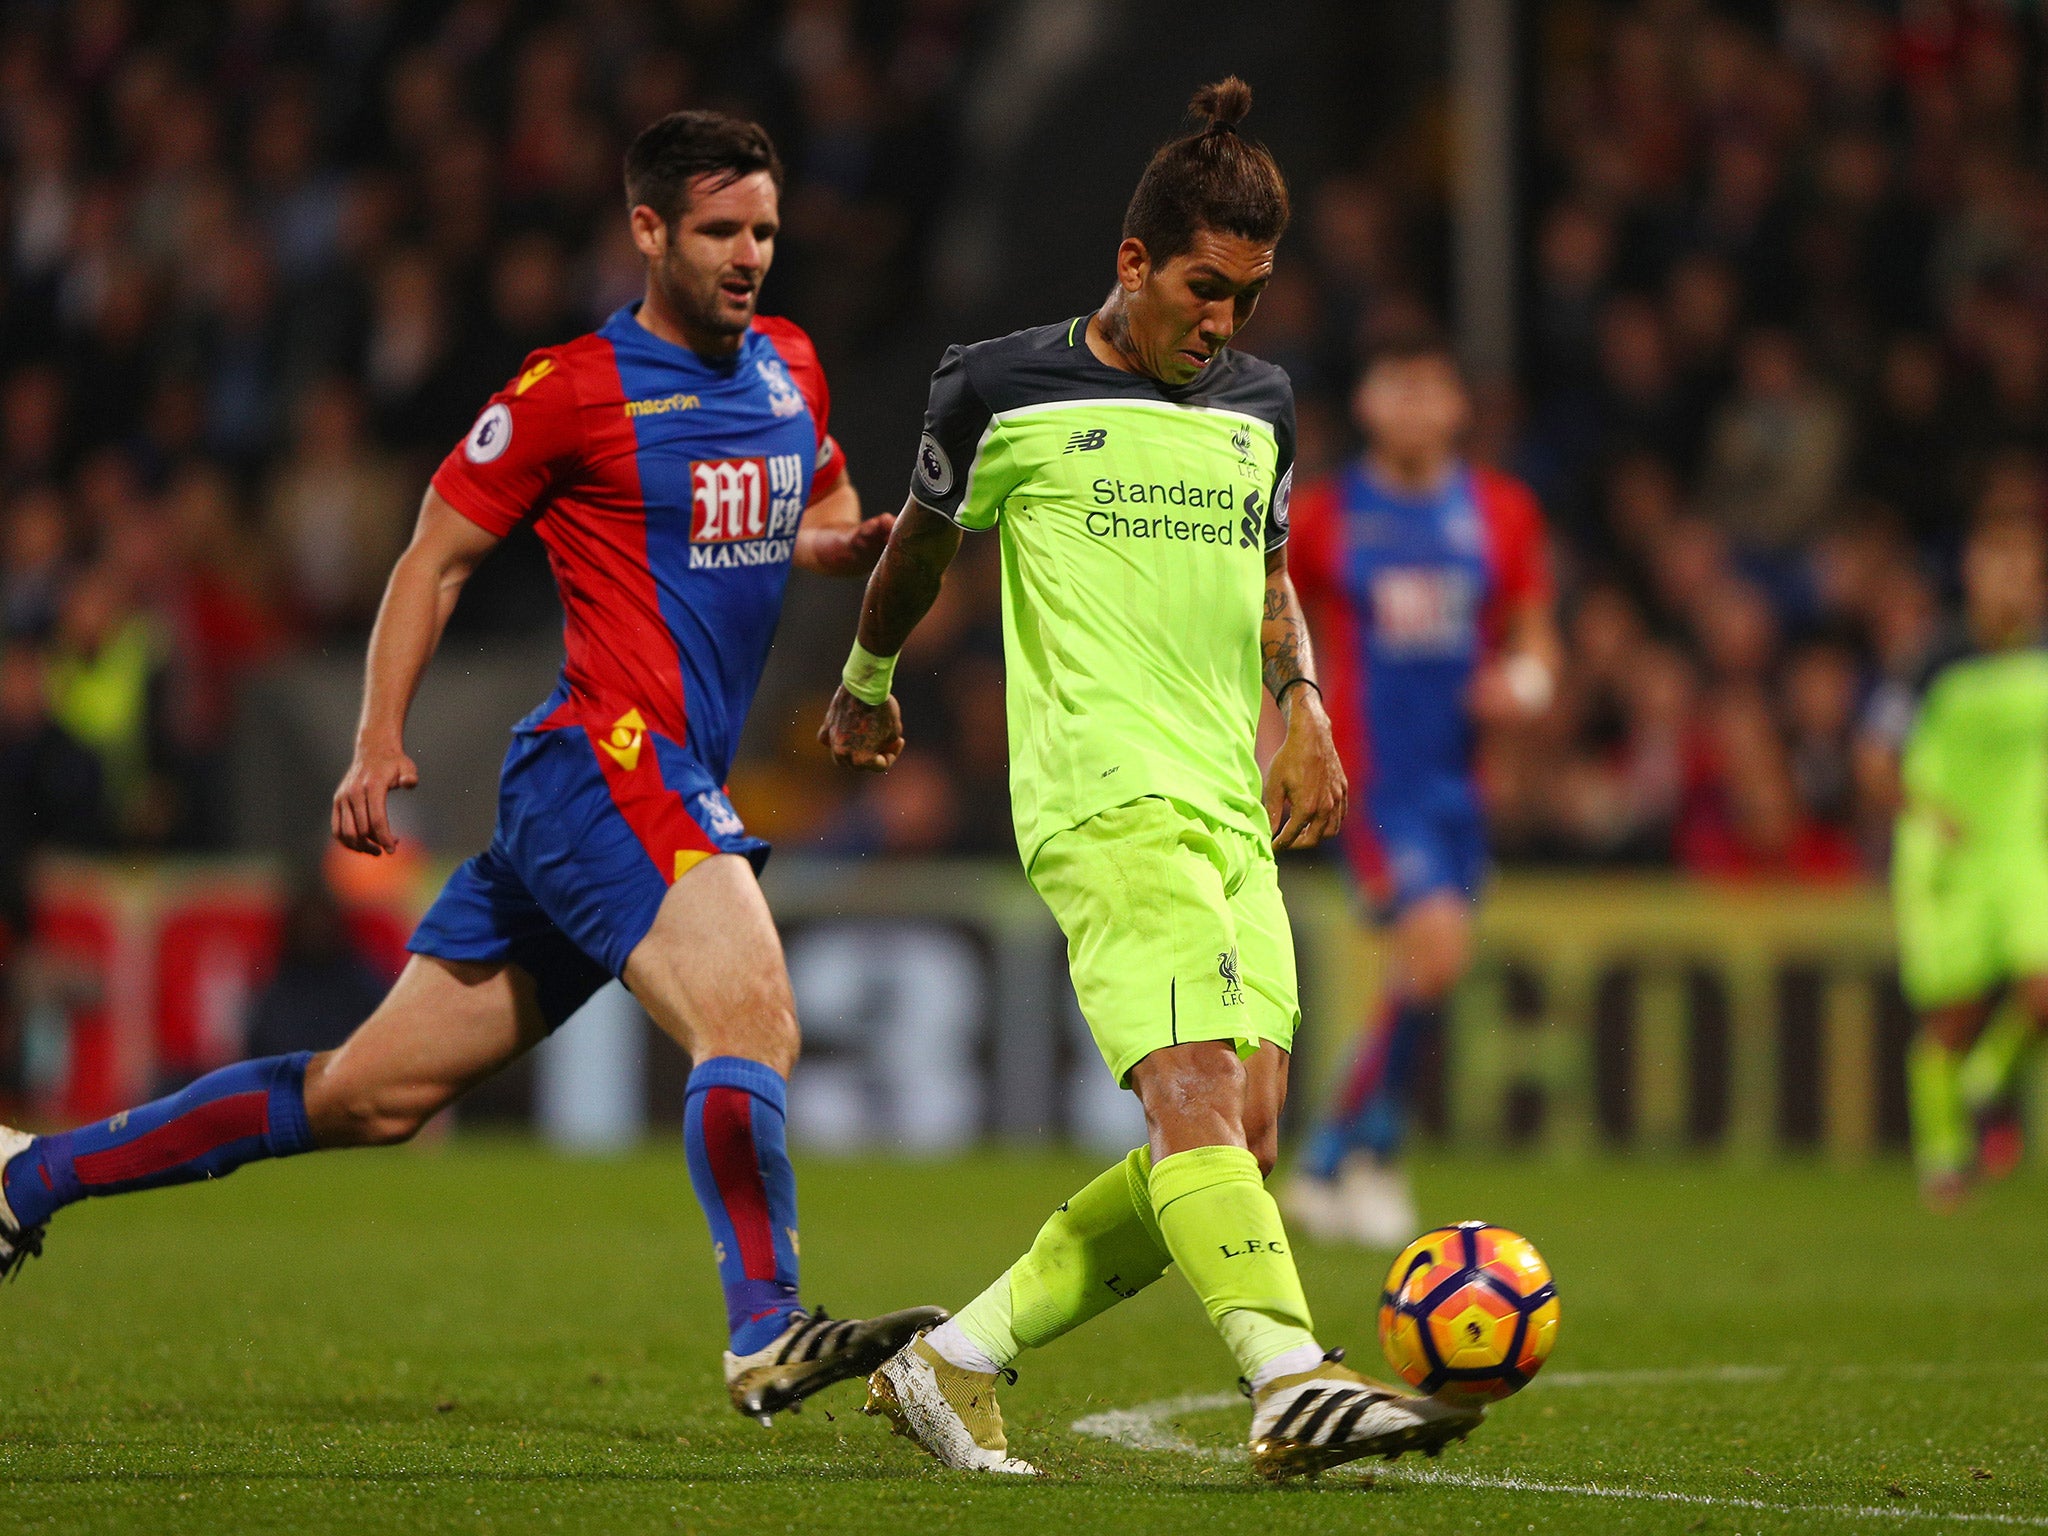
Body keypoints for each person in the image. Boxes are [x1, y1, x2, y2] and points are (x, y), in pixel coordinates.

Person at [0, 111, 944, 1423]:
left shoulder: (790, 364)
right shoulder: (569, 391)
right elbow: (432, 560)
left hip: (625, 790)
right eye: (722, 231)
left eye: (767, 232)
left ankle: (25, 1179)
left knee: (367, 1095)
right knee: (752, 1018)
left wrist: (845, 550)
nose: (749, 258)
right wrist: (380, 734)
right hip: (603, 759)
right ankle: (767, 1325)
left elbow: (819, 505)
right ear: (649, 229)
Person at [820, 80, 1482, 1480]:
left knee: (1236, 1134)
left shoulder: (1262, 403)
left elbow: (1269, 571)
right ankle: (1290, 1378)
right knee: (1187, 1088)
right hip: (1102, 797)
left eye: (1246, 295)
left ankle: (955, 1361)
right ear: (1132, 263)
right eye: (1200, 287)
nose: (1220, 322)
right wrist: (867, 683)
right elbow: (923, 551)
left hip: (1229, 802)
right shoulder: (998, 384)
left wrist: (1299, 697)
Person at [1280, 336, 1558, 1249]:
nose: (1409, 405)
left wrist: (1522, 685)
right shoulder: (1325, 518)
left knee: (1430, 969)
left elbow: (1534, 640)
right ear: (1366, 403)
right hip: (1372, 774)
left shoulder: (1503, 514)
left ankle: (1355, 1156)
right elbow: (1275, 623)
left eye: (1427, 387)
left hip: (1459, 781)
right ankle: (1344, 1158)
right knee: (1432, 953)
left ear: (1456, 405)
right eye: (1392, 385)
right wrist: (1276, 730)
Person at [1868, 507, 2048, 1209]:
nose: (2014, 586)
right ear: (1973, 576)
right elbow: (1875, 758)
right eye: (2000, 569)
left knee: (2043, 990)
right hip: (1949, 854)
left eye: (2027, 573)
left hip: (2024, 850)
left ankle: (1989, 1082)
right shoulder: (1931, 659)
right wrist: (1923, 814)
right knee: (1955, 1014)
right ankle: (1943, 1154)